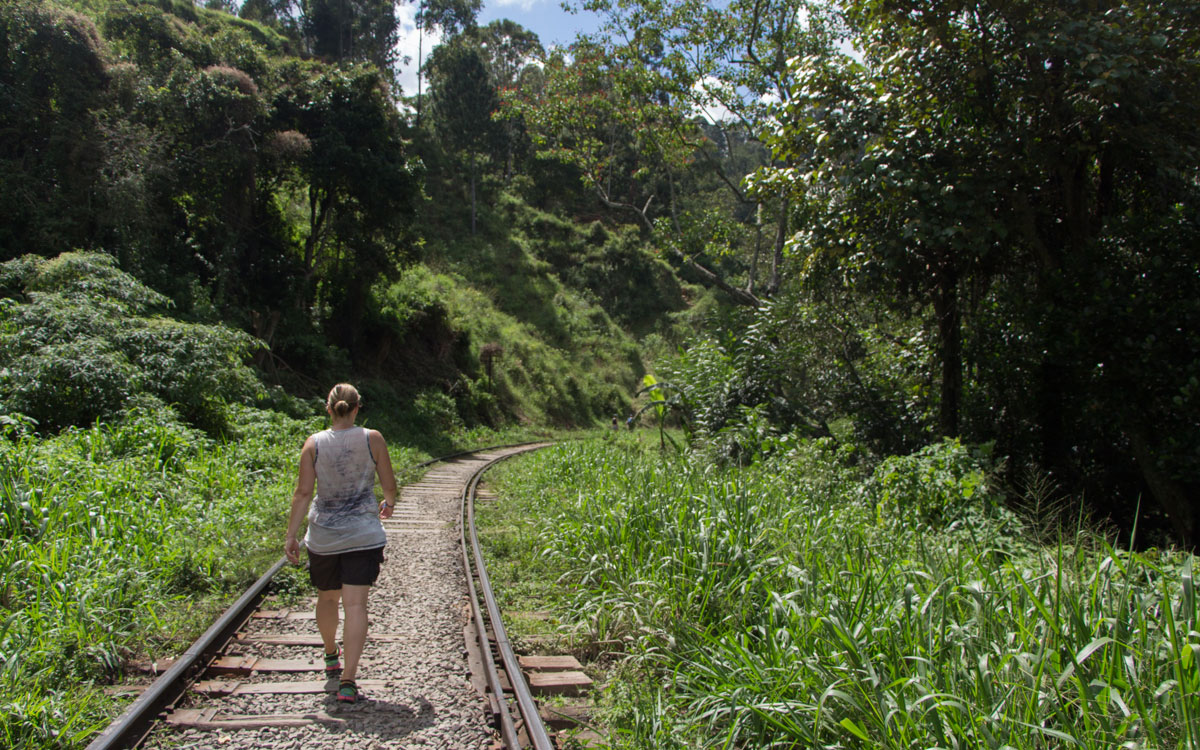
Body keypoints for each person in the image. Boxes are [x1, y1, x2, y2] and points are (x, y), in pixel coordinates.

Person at [285, 383, 396, 704]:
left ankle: (330, 652)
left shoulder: (313, 444)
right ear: (357, 407)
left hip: (324, 537)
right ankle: (348, 680)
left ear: (328, 408)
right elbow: (389, 484)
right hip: (363, 535)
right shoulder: (373, 438)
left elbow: (303, 492)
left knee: (327, 598)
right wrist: (388, 503)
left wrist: (291, 535)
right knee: (356, 605)